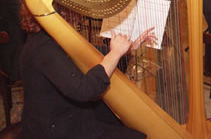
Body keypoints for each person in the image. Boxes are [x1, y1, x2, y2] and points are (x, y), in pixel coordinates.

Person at [20, 9, 154, 138]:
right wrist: (115, 53)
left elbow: (87, 55)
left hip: (69, 113)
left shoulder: (49, 37)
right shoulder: (43, 48)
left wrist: (127, 48)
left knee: (119, 119)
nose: (77, 18)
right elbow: (84, 90)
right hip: (55, 128)